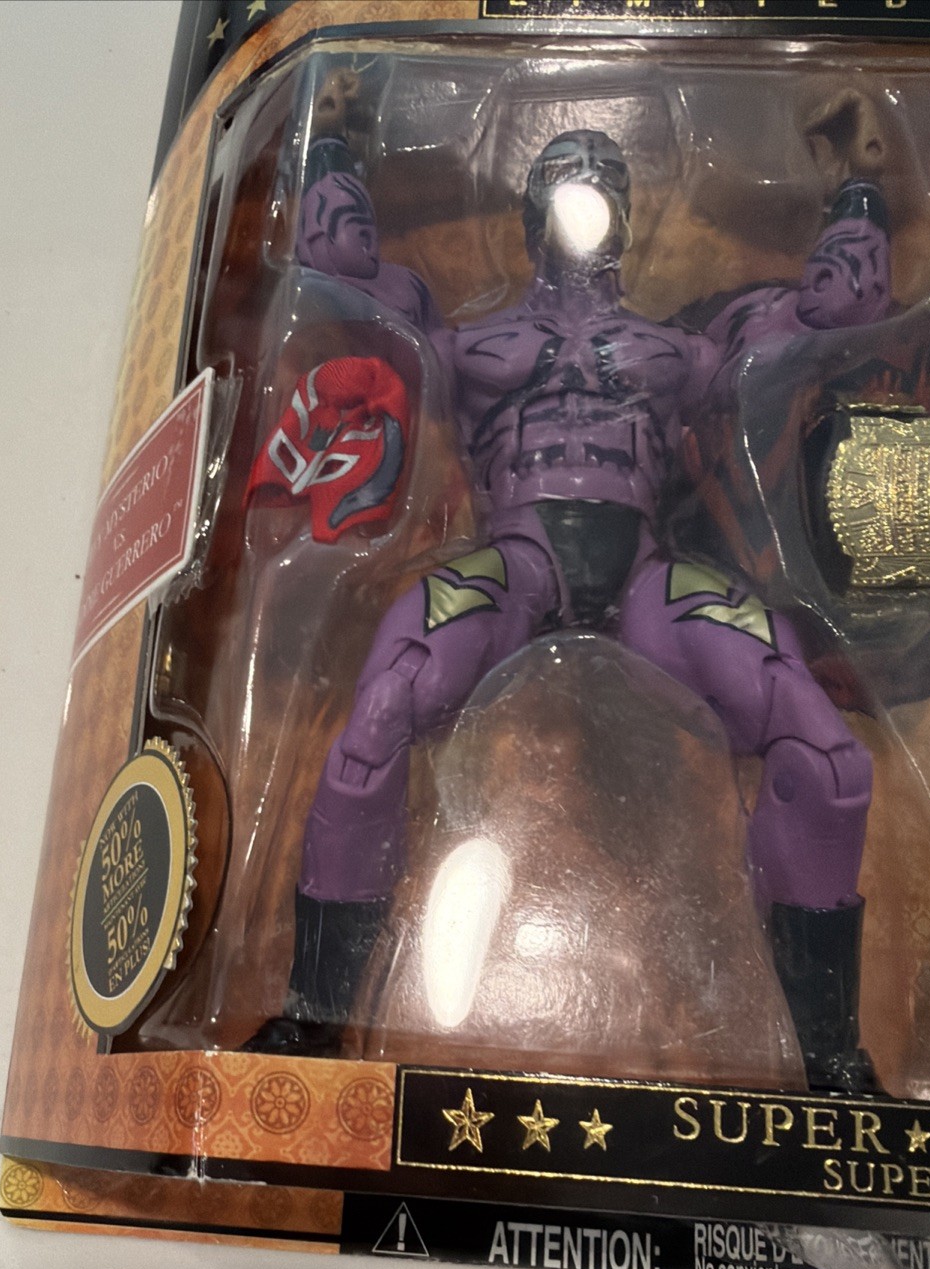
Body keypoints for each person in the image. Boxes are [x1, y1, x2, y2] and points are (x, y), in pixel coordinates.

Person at [251, 102, 893, 1096]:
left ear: (628, 210)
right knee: (376, 716)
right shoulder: (468, 340)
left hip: (644, 573)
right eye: (566, 175)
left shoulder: (681, 351)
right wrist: (330, 135)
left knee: (826, 755)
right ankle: (312, 1021)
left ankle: (831, 1063)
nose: (587, 191)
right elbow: (335, 259)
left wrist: (857, 181)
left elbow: (837, 309)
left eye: (604, 177)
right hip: (515, 562)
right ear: (529, 210)